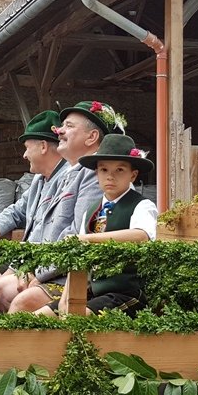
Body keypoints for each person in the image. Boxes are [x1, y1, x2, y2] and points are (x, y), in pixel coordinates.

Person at [7, 100, 126, 313]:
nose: (59, 131)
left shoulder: (94, 175)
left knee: (19, 301)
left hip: (80, 276)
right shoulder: (68, 172)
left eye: (69, 126)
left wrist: (38, 273)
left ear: (92, 137)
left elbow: (79, 232)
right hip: (57, 267)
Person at [36, 133, 156, 318]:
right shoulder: (91, 211)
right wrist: (65, 299)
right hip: (94, 292)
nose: (110, 177)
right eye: (104, 170)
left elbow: (142, 236)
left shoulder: (142, 205)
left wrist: (87, 238)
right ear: (96, 173)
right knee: (40, 316)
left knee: (77, 317)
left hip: (126, 294)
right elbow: (79, 258)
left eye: (120, 170)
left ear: (133, 175)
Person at [0, 110, 68, 311]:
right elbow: (17, 211)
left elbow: (63, 235)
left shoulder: (68, 179)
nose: (24, 155)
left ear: (43, 146)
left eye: (27, 148)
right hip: (30, 261)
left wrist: (35, 272)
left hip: (55, 271)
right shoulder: (40, 180)